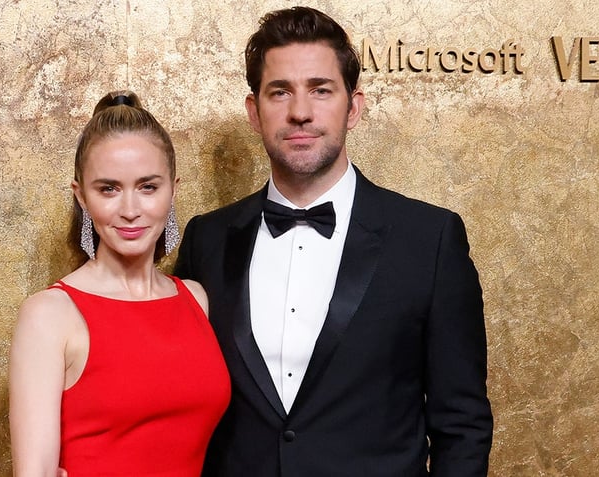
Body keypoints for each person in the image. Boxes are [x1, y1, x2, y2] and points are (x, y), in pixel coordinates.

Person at [174, 6, 493, 476]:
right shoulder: (208, 238)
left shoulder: (430, 239)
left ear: (354, 106)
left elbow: (462, 426)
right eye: (279, 92)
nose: (300, 112)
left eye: (320, 91)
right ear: (253, 111)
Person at [9, 91, 231, 477]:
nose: (130, 210)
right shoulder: (49, 315)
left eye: (148, 187)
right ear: (81, 196)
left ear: (173, 190)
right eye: (108, 188)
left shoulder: (196, 299)